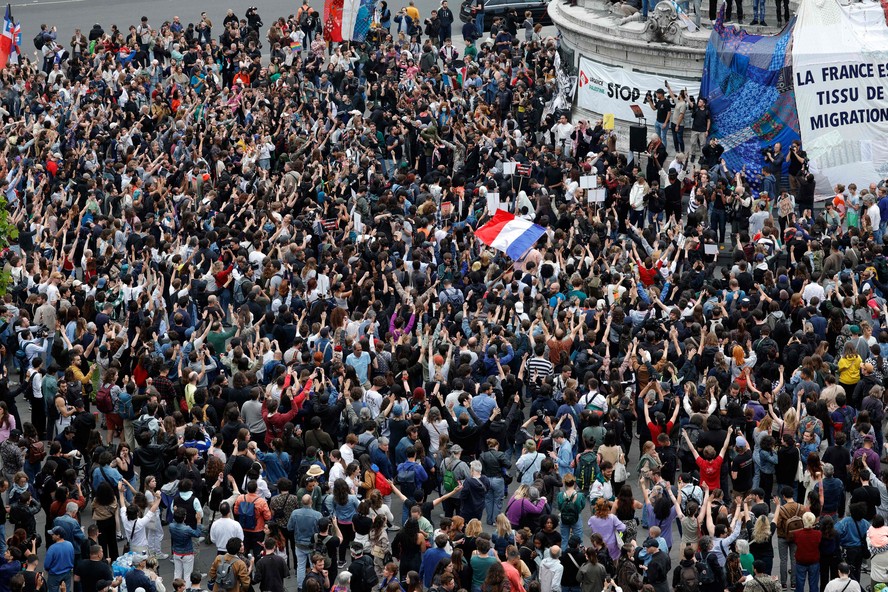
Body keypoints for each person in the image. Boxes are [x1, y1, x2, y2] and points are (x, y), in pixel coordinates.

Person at [44, 527, 75, 592]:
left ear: (58, 536)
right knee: (66, 590)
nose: (51, 535)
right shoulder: (70, 544)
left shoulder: (52, 548)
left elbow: (46, 565)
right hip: (67, 573)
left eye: (53, 534)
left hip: (54, 575)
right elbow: (72, 558)